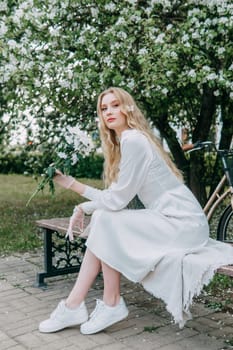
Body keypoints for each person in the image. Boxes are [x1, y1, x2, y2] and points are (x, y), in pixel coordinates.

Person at [39, 87, 233, 335]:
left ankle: (91, 304)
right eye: (104, 108)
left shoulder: (134, 140)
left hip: (182, 223)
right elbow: (119, 195)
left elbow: (117, 200)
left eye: (115, 105)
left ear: (127, 107)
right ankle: (84, 304)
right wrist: (84, 207)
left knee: (106, 220)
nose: (109, 111)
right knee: (104, 221)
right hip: (170, 218)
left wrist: (73, 186)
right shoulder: (127, 140)